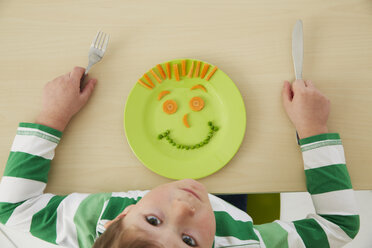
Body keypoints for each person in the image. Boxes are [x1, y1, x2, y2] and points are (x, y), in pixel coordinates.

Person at [0, 67, 359, 248]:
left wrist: (52, 118)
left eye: (153, 220)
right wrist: (313, 129)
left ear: (117, 218)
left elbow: (10, 212)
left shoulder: (89, 222)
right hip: (233, 214)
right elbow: (339, 227)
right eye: (188, 241)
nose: (183, 209)